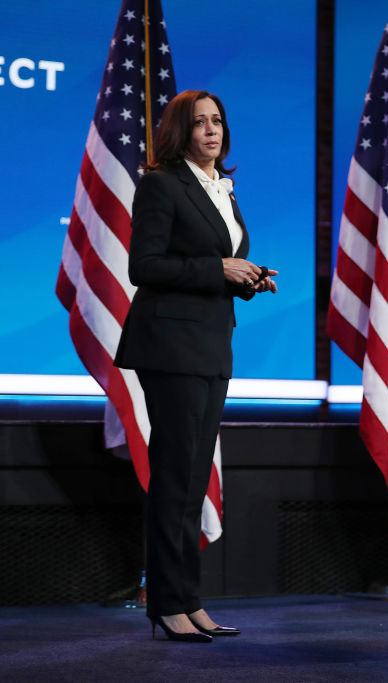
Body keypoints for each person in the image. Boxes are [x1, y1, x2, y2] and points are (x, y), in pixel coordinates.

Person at [114, 90, 277, 642]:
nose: (211, 131)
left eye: (218, 121)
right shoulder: (162, 183)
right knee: (175, 479)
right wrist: (219, 269)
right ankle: (166, 603)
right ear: (179, 131)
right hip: (170, 348)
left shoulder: (221, 189)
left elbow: (216, 267)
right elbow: (145, 265)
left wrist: (248, 279)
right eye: (199, 122)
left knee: (192, 480)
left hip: (210, 347)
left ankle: (189, 600)